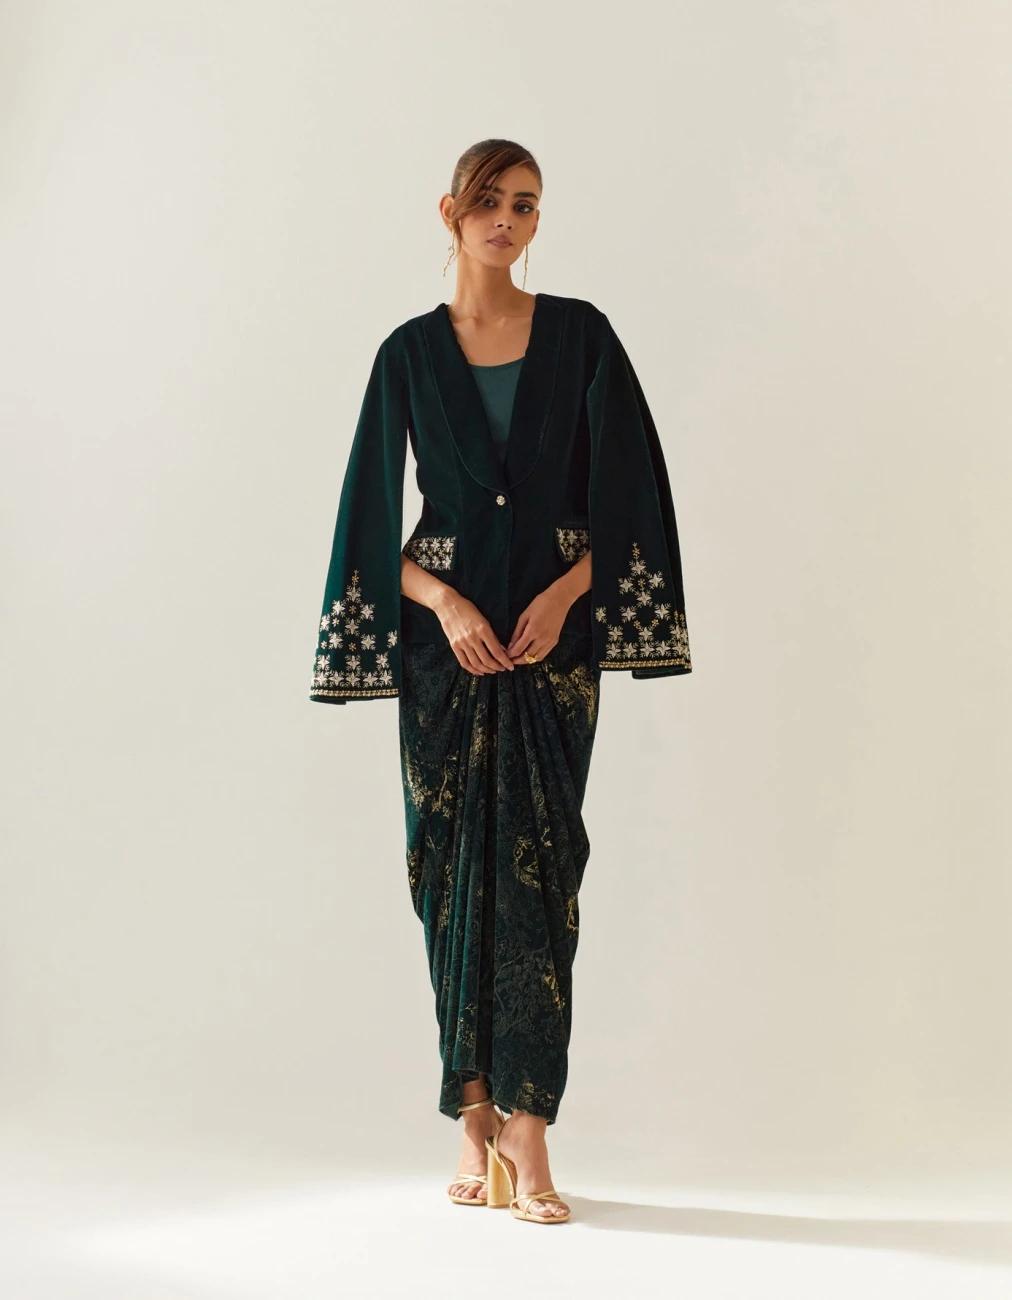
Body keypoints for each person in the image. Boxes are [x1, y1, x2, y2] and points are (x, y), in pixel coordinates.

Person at [309, 138, 692, 1224]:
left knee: (542, 871)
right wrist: (444, 603)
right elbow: (366, 522)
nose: (506, 222)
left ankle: (531, 1122)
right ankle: (473, 1112)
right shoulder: (407, 355)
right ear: (450, 213)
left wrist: (568, 593)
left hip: (548, 653)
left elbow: (632, 495)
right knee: (446, 874)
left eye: (524, 205)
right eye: (487, 202)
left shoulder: (581, 336)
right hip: (448, 660)